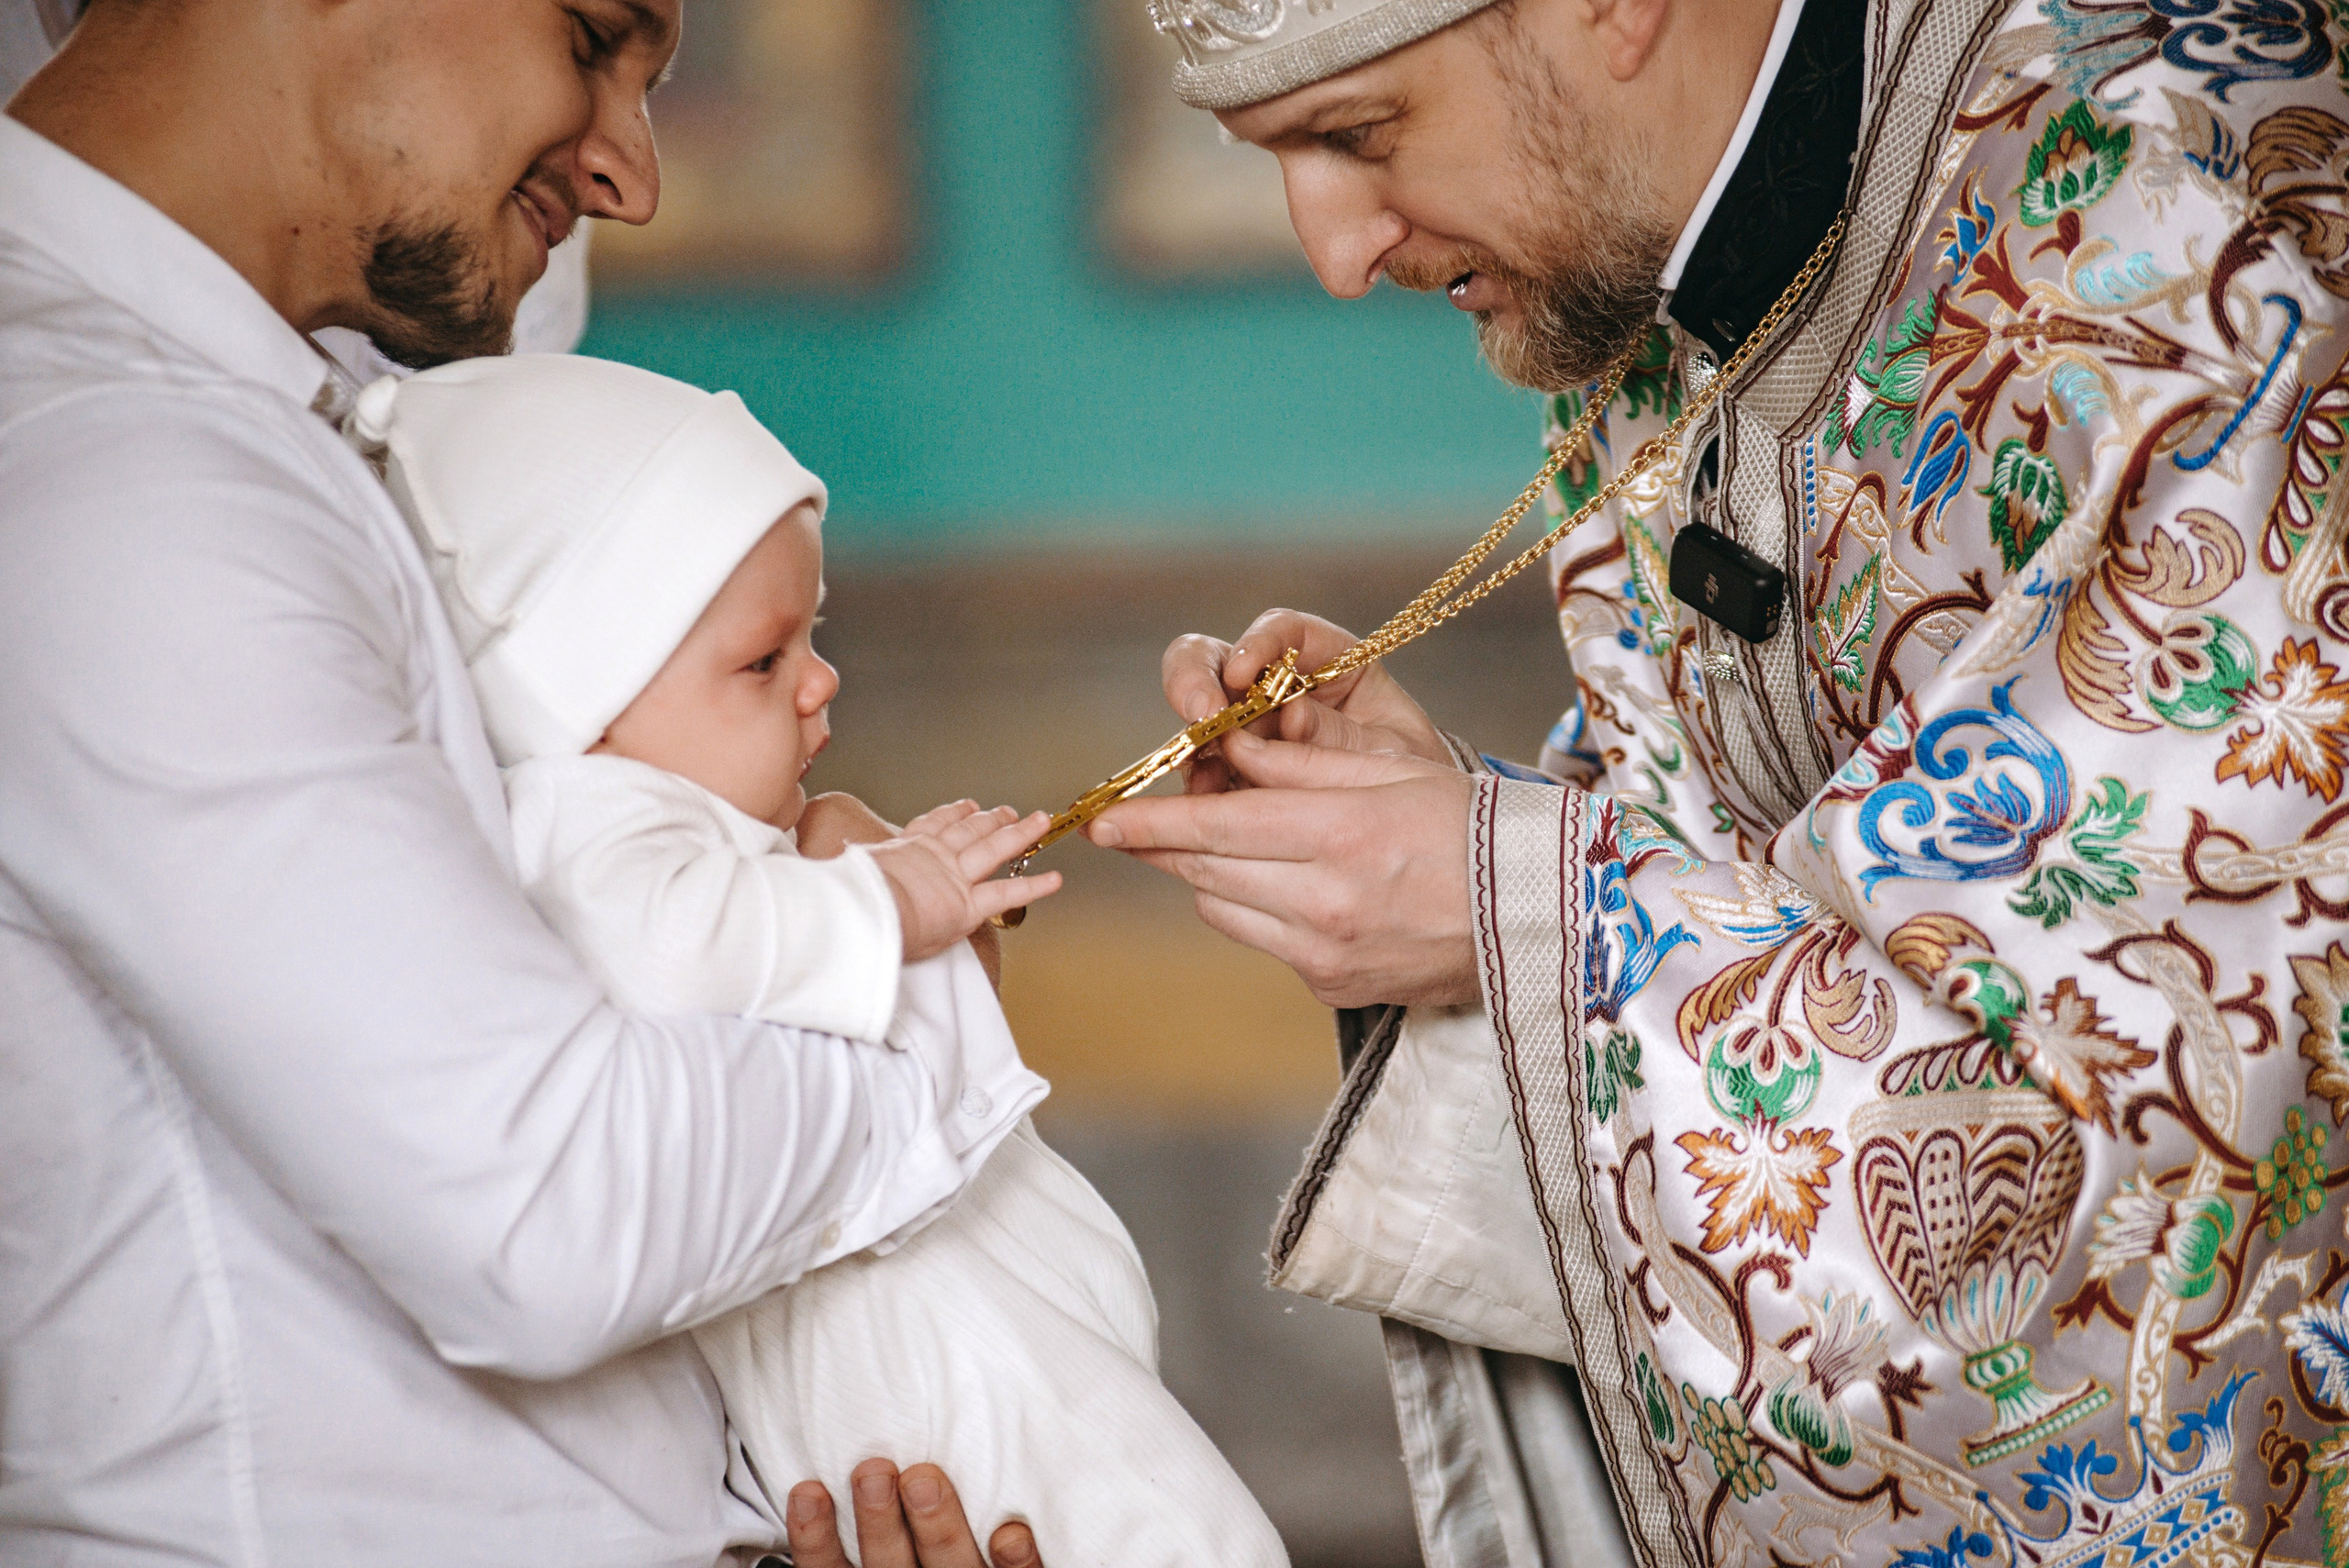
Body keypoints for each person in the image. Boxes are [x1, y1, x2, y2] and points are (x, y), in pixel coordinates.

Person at [1105, 0, 2349, 1564]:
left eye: (1358, 136)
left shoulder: (2182, 260)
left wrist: (1519, 904)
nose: (1334, 254)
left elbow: (2186, 1175)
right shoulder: (1666, 259)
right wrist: (1475, 829)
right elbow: (1792, 852)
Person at [0, 2, 1038, 1562]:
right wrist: (923, 982)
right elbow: (544, 1208)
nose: (634, 176)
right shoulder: (129, 471)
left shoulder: (237, 423)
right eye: (591, 38)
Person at [348, 350, 1290, 1566]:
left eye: (815, 638)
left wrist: (893, 906)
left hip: (951, 1347)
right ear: (585, 697)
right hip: (915, 1360)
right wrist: (884, 903)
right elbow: (683, 955)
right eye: (764, 660)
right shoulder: (583, 825)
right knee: (1176, 1532)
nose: (822, 682)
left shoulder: (700, 834)